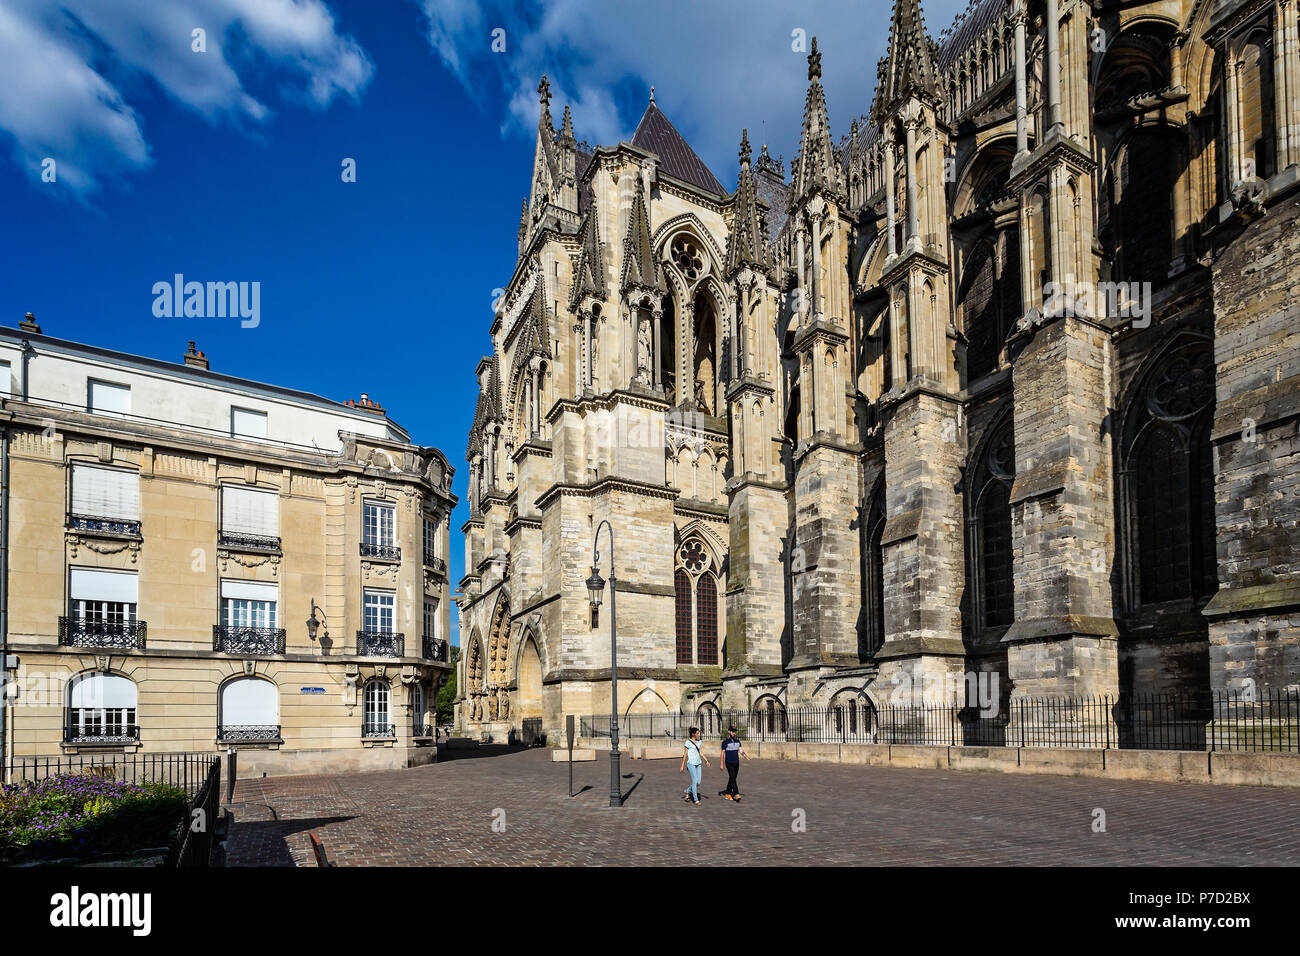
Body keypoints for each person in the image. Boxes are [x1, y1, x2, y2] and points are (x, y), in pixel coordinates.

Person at [719, 725, 750, 801]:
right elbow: (722, 753)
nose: (734, 733)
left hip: (736, 762)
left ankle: (727, 793)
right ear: (729, 732)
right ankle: (736, 794)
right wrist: (721, 764)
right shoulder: (725, 742)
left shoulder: (737, 741)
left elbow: (741, 750)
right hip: (729, 762)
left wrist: (746, 756)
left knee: (732, 778)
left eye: (735, 732)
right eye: (733, 731)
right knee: (733, 778)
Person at [679, 726, 708, 804]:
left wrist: (706, 760)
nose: (699, 734)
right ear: (693, 734)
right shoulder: (688, 742)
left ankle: (688, 791)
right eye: (697, 733)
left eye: (699, 733)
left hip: (698, 763)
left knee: (698, 782)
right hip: (691, 763)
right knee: (694, 781)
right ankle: (695, 800)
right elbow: (685, 755)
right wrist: (682, 765)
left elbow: (699, 752)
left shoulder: (699, 742)